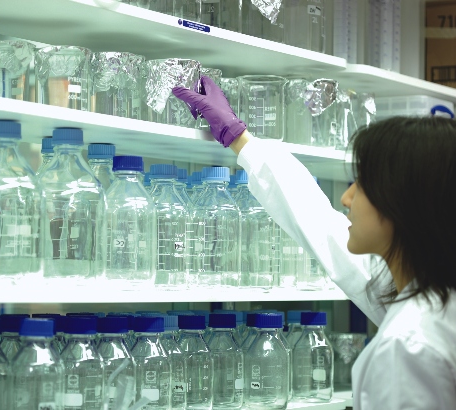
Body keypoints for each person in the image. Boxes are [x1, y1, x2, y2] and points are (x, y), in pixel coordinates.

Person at [172, 76, 456, 409]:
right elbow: (324, 228)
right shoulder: (433, 299)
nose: (347, 197)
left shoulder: (411, 345)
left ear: (401, 204)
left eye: (362, 185)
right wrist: (240, 139)